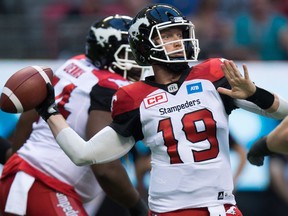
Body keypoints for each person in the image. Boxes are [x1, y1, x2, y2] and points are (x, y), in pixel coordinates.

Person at [31, 4, 288, 216]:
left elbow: (283, 113)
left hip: (222, 208)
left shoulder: (213, 74)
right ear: (144, 45)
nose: (177, 41)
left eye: (179, 33)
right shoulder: (131, 97)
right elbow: (84, 154)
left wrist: (255, 94)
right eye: (166, 35)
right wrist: (49, 112)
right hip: (168, 211)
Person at [0, 15, 148, 216]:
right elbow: (105, 167)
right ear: (108, 53)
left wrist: (15, 158)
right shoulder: (110, 87)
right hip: (46, 185)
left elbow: (31, 111)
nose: (138, 60)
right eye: (131, 52)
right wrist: (136, 206)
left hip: (22, 176)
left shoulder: (75, 64)